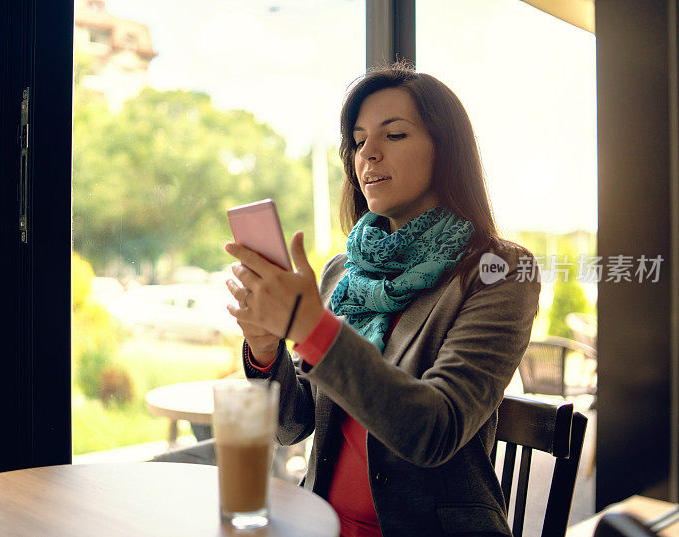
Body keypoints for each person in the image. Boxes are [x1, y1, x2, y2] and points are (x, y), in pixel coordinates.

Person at [224, 63, 540, 537]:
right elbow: (291, 427)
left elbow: (434, 429)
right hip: (321, 523)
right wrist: (266, 349)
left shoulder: (499, 272)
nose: (368, 153)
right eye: (358, 140)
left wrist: (313, 330)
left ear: (445, 150)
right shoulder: (343, 273)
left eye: (393, 135)